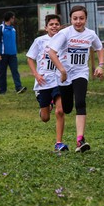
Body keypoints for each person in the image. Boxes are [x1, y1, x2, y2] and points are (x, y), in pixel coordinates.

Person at [48, 5, 104, 153]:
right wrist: (62, 69)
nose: (78, 21)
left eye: (81, 18)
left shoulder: (91, 34)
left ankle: (80, 140)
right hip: (64, 74)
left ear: (86, 19)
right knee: (67, 108)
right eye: (75, 18)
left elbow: (99, 48)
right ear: (71, 19)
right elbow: (52, 53)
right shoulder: (64, 34)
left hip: (80, 72)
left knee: (80, 102)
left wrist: (100, 65)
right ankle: (53, 101)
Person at [26, 14, 67, 151]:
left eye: (56, 24)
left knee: (60, 111)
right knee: (45, 118)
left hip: (59, 80)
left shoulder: (64, 40)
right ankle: (46, 105)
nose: (54, 26)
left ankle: (59, 143)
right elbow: (30, 58)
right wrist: (36, 75)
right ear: (46, 27)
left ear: (60, 26)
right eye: (51, 24)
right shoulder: (40, 41)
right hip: (44, 82)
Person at [0, 11, 27, 95]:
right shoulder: (1, 28)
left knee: (15, 71)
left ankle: (18, 88)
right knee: (2, 73)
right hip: (3, 55)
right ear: (10, 18)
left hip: (13, 55)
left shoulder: (13, 29)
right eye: (13, 18)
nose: (14, 19)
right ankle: (2, 91)